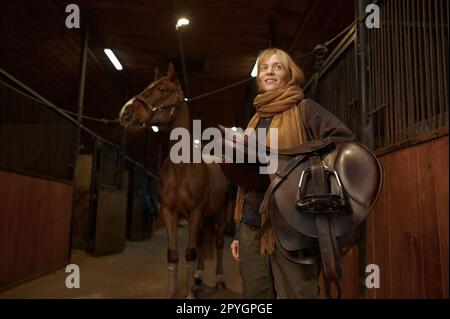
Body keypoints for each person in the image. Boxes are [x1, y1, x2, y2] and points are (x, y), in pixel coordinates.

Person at [229, 47, 356, 299]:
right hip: (251, 223)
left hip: (293, 222)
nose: (270, 72)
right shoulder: (254, 119)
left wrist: (294, 159)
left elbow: (344, 140)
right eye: (264, 67)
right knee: (255, 295)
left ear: (290, 74)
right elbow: (245, 181)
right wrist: (237, 234)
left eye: (277, 67)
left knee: (298, 293)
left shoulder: (305, 109)